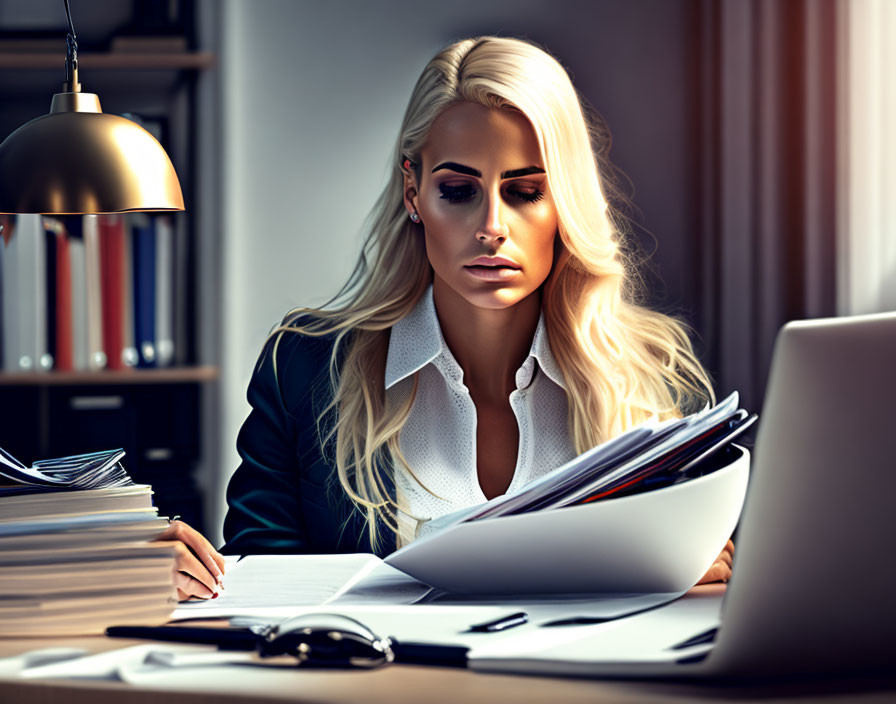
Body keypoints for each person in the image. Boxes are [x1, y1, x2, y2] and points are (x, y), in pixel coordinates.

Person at [165, 36, 734, 599]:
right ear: (414, 192)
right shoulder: (306, 366)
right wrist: (173, 573)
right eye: (459, 190)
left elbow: (697, 577)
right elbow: (255, 584)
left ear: (566, 198)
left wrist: (690, 563)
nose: (492, 225)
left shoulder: (643, 374)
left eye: (526, 191)